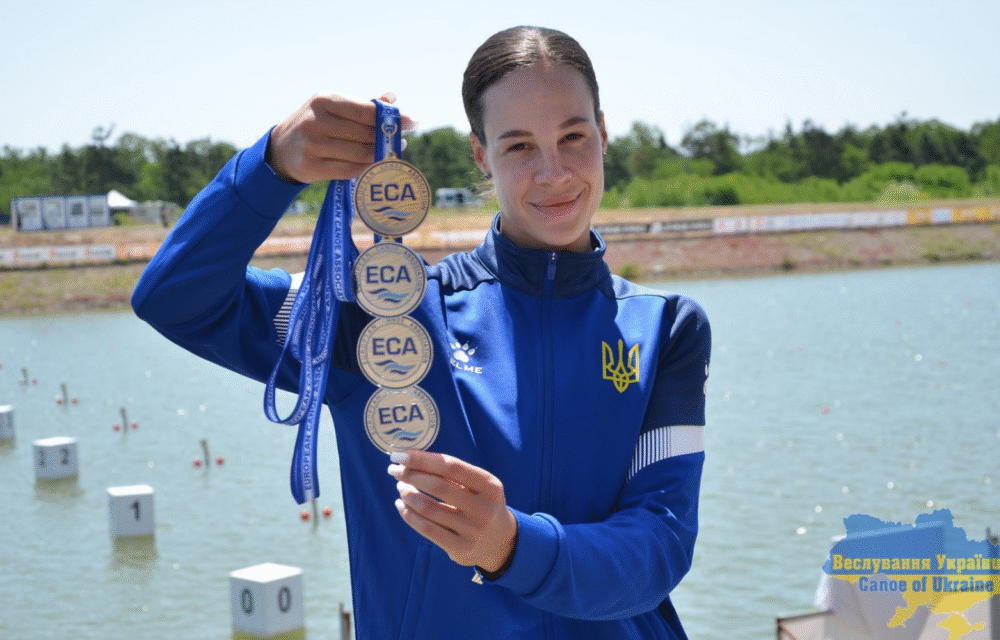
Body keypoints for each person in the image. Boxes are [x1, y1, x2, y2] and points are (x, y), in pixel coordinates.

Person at [133, 25, 710, 640]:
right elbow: (176, 300)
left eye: (574, 136)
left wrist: (511, 546)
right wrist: (270, 166)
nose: (553, 171)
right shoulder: (382, 315)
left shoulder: (665, 326)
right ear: (481, 154)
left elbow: (660, 546)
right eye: (518, 147)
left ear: (604, 131)